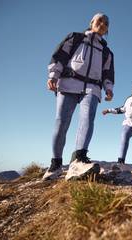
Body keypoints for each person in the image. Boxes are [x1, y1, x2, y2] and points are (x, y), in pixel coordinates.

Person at [43, 13, 115, 181]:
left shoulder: (107, 52)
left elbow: (108, 72)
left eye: (106, 23)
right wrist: (53, 75)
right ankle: (56, 164)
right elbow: (60, 56)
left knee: (88, 119)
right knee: (61, 121)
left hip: (92, 87)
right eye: (100, 20)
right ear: (91, 22)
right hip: (69, 83)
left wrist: (109, 88)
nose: (103, 24)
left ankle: (78, 160)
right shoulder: (75, 38)